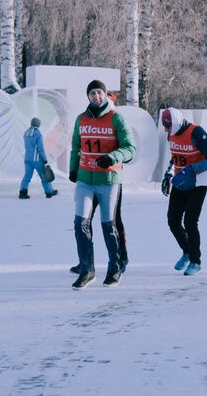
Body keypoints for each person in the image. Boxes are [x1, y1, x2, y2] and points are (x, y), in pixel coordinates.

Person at [68, 80, 136, 289]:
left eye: (99, 93)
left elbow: (130, 148)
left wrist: (112, 157)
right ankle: (87, 269)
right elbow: (76, 146)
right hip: (85, 180)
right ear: (88, 96)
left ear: (105, 94)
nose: (96, 97)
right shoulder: (81, 119)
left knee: (108, 225)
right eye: (92, 93)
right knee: (80, 223)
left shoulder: (116, 119)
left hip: (108, 180)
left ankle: (114, 267)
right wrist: (73, 169)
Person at [161, 107, 207, 276]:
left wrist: (193, 169)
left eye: (168, 126)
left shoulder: (196, 132)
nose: (166, 130)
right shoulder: (171, 133)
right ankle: (187, 251)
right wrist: (168, 175)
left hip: (197, 183)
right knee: (173, 221)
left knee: (190, 222)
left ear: (176, 123)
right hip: (180, 182)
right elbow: (175, 157)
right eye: (165, 127)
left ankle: (195, 261)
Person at [18, 117, 58, 199]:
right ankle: (49, 192)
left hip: (27, 159)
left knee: (27, 176)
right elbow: (40, 148)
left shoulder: (26, 133)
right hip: (37, 160)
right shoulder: (38, 134)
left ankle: (22, 192)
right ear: (38, 124)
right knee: (44, 176)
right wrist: (44, 159)